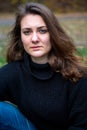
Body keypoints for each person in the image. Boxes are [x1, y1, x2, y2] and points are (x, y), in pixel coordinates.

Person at [0, 2, 87, 130]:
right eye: (27, 32)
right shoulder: (13, 72)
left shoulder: (78, 77)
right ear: (20, 37)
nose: (34, 39)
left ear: (53, 34)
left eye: (42, 31)